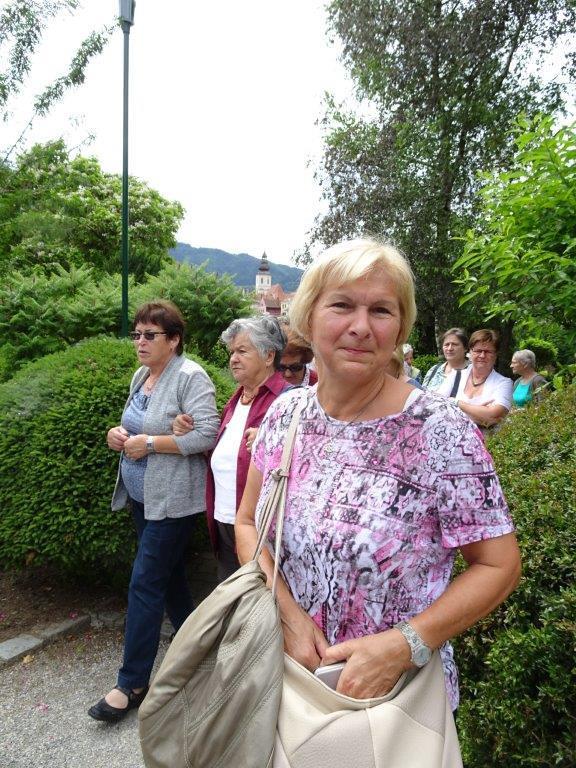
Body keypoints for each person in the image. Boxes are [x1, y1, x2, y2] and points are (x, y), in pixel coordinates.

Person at [235, 238, 520, 715]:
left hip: (394, 701)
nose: (361, 327)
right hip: (285, 680)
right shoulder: (286, 415)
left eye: (381, 311)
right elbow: (248, 524)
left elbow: (499, 565)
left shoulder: (440, 429)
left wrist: (406, 643)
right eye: (342, 305)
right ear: (308, 316)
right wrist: (287, 616)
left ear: (399, 329)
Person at [88, 301, 220, 723]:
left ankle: (132, 683)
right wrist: (117, 434)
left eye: (150, 335)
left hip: (174, 502)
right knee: (170, 577)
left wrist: (149, 443)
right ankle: (195, 646)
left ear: (174, 339)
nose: (140, 342)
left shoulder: (190, 376)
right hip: (142, 498)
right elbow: (133, 424)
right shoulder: (141, 376)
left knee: (145, 582)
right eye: (137, 334)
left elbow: (207, 433)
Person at [175, 315, 287, 582]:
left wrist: (273, 441)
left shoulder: (288, 400)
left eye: (242, 351)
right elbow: (225, 454)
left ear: (269, 355)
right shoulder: (236, 400)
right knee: (230, 594)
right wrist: (189, 429)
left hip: (262, 528)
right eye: (232, 352)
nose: (233, 359)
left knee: (260, 598)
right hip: (224, 518)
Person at [445, 329, 513, 431]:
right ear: (470, 352)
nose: (482, 355)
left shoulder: (504, 383)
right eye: (478, 351)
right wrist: (480, 414)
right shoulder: (455, 376)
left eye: (488, 351)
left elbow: (494, 415)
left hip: (486, 440)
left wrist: (456, 402)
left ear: (495, 355)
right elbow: (436, 406)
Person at [422, 327, 469, 394]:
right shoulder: (434, 370)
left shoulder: (473, 372)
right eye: (446, 345)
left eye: (455, 344)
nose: (450, 348)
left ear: (465, 348)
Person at [277, 318, 318, 387]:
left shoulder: (318, 385)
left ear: (305, 360)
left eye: (295, 367)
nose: (288, 374)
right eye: (281, 367)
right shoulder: (265, 386)